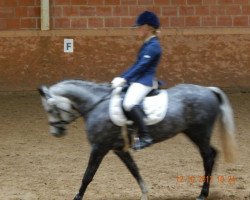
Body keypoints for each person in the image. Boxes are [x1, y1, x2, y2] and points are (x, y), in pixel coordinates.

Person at [111, 11, 162, 150]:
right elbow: (135, 65)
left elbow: (141, 66)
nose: (137, 30)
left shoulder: (153, 46)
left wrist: (125, 79)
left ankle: (146, 136)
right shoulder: (146, 44)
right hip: (138, 79)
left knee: (128, 103)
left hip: (144, 81)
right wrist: (122, 77)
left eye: (139, 27)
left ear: (148, 28)